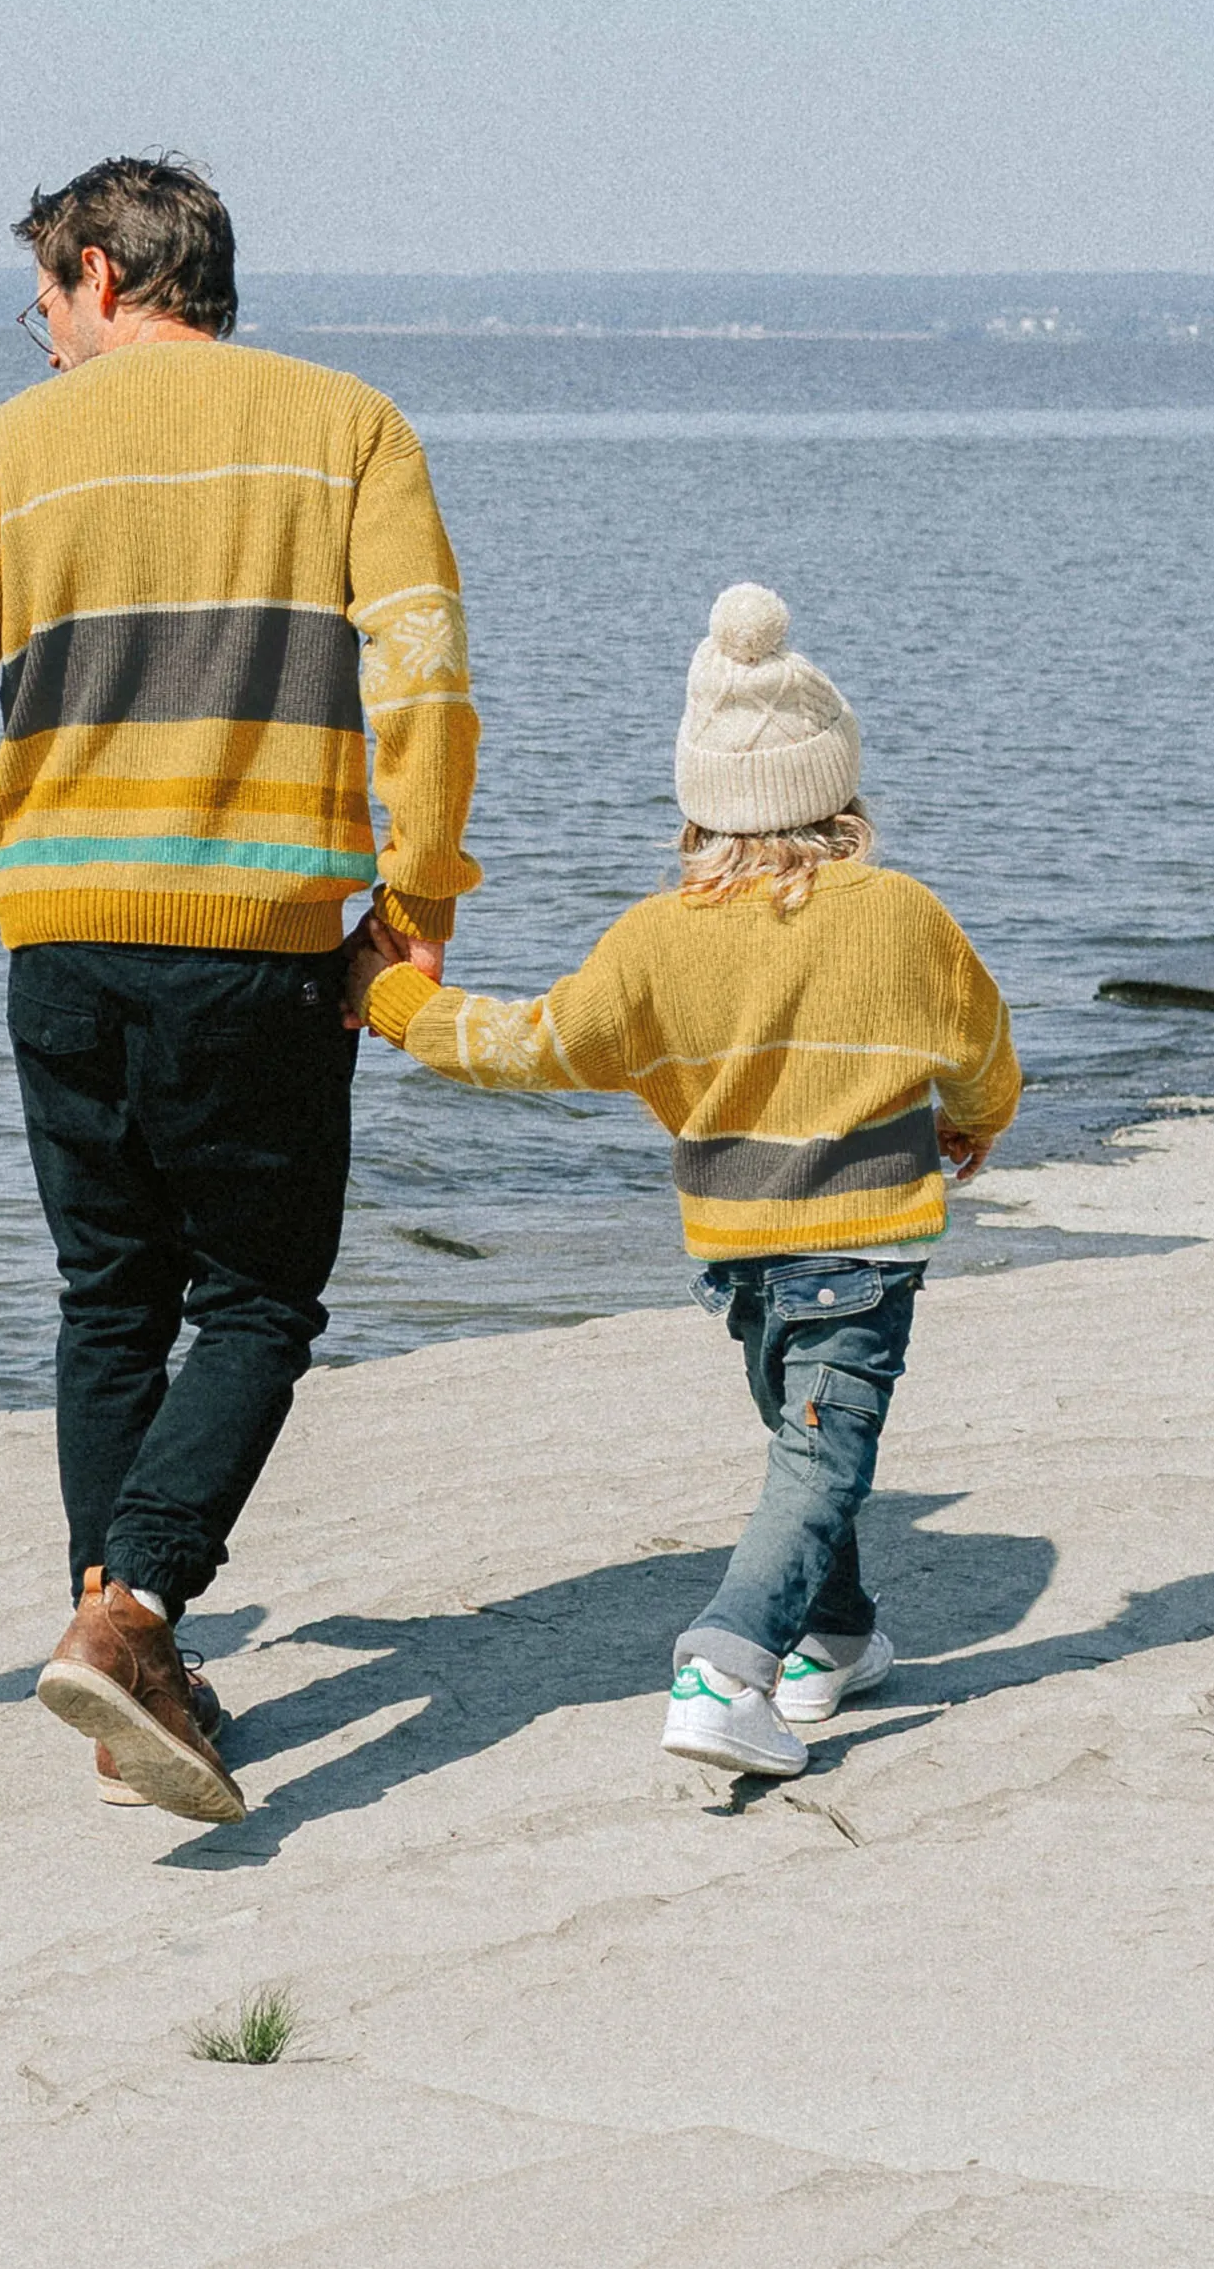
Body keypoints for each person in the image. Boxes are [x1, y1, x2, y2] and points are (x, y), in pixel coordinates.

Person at [0, 157, 480, 1824]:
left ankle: (118, 1674)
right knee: (256, 1296)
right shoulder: (352, 426)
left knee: (111, 1297)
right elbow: (427, 682)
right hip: (256, 941)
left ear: (102, 276)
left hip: (63, 942)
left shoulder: (17, 453)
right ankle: (138, 1613)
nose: (39, 341)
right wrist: (419, 894)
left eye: (43, 304)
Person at [350, 583, 1021, 1779]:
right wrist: (977, 1120)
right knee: (819, 1452)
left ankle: (836, 1633)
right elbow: (977, 1040)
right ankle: (723, 1666)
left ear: (698, 802)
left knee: (803, 1438)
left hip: (735, 1247)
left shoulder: (652, 940)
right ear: (840, 792)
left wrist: (388, 999)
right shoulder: (904, 916)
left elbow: (528, 1046)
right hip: (859, 1245)